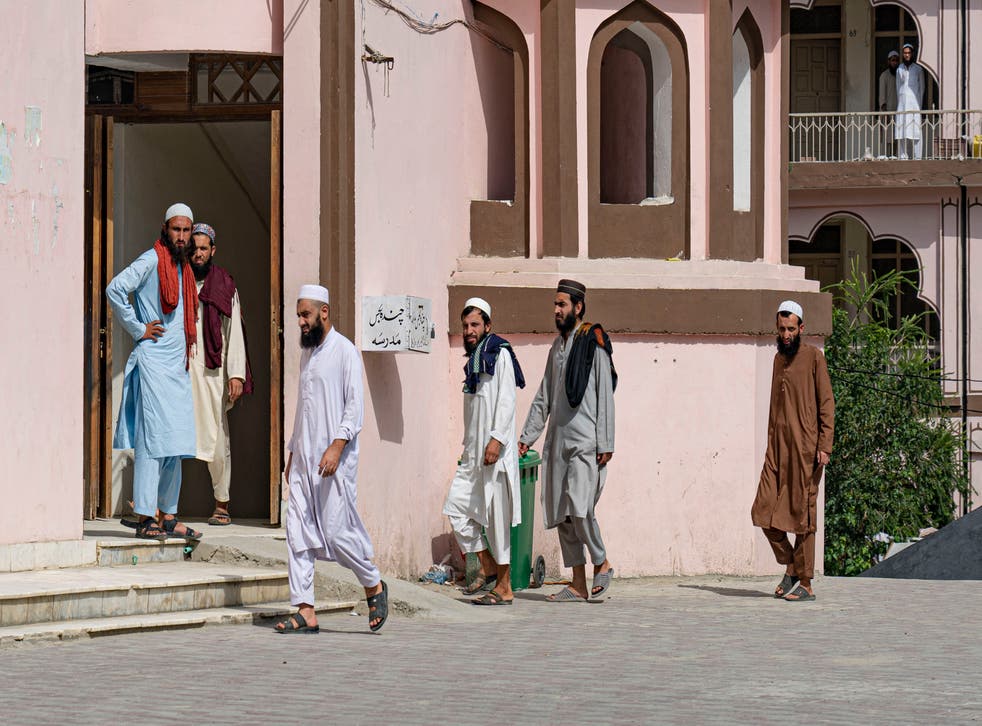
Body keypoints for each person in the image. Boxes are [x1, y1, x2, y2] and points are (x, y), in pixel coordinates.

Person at [276, 284, 388, 634]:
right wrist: (292, 452)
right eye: (298, 316)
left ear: (324, 312)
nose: (301, 322)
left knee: (338, 534)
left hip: (332, 461)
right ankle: (305, 609)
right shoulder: (307, 354)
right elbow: (303, 408)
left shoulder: (346, 352)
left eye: (305, 314)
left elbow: (354, 408)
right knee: (297, 532)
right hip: (304, 460)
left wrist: (336, 447)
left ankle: (373, 584)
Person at [106, 203, 202, 542]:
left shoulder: (185, 268)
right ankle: (145, 515)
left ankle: (168, 514)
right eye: (175, 229)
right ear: (166, 230)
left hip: (177, 367)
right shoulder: (151, 259)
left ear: (191, 233)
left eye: (185, 230)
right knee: (150, 443)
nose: (180, 236)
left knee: (174, 443)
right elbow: (115, 289)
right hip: (152, 364)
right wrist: (137, 328)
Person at [519, 280, 616, 602]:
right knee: (563, 514)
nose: (556, 310)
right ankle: (577, 583)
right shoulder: (556, 348)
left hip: (586, 442)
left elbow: (605, 394)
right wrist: (527, 437)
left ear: (578, 307)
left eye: (562, 305)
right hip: (558, 442)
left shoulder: (593, 342)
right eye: (555, 305)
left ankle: (602, 562)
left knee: (580, 506)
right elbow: (544, 396)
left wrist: (606, 442)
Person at [443, 297, 525, 606]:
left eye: (475, 324)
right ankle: (488, 565)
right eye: (465, 326)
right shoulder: (474, 363)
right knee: (456, 507)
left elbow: (506, 400)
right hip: (473, 456)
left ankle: (504, 587)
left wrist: (496, 441)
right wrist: (469, 449)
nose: (469, 330)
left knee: (497, 522)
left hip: (495, 455)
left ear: (487, 325)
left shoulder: (499, 354)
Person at [751, 301, 835, 602]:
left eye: (791, 329)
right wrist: (770, 445)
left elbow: (827, 402)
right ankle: (791, 567)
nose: (786, 334)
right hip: (777, 450)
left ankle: (806, 584)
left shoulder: (813, 357)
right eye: (781, 329)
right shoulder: (778, 360)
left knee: (803, 517)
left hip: (806, 451)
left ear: (801, 328)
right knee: (762, 512)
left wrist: (825, 445)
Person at [186, 223, 253, 526]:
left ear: (212, 251)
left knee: (215, 439)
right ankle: (161, 505)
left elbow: (234, 331)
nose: (198, 254)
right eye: (194, 248)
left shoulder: (225, 285)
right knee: (172, 434)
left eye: (203, 248)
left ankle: (221, 504)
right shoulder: (179, 280)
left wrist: (235, 374)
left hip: (213, 372)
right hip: (183, 370)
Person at [895, 43, 925, 160]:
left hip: (914, 105)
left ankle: (918, 157)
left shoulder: (918, 69)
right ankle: (903, 157)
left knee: (915, 131)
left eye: (909, 53)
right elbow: (898, 87)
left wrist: (919, 105)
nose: (907, 55)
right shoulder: (899, 69)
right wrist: (900, 102)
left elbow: (922, 88)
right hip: (902, 105)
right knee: (902, 131)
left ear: (912, 54)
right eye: (905, 53)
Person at [878, 50, 900, 157]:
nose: (894, 63)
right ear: (889, 61)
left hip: (899, 111)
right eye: (893, 60)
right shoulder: (884, 76)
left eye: (896, 60)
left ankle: (895, 155)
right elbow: (882, 96)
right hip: (888, 112)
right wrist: (885, 113)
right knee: (889, 137)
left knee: (897, 137)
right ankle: (889, 156)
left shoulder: (900, 75)